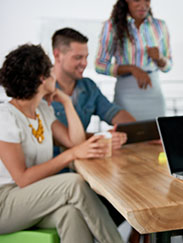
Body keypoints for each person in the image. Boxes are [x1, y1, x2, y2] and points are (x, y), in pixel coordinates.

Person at [0, 44, 123, 243]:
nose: (53, 74)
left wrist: (66, 102)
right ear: (42, 78)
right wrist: (71, 155)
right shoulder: (5, 118)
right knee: (74, 183)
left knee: (70, 214)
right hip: (5, 204)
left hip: (31, 197)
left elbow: (76, 142)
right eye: (50, 70)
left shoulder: (42, 110)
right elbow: (22, 179)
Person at [51, 27, 135, 153]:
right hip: (55, 166)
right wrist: (103, 137)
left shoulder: (88, 87)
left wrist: (137, 130)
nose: (84, 63)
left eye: (86, 57)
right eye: (78, 57)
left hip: (83, 162)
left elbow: (113, 112)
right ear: (57, 55)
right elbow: (54, 137)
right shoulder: (41, 89)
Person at [95, 0, 172, 121]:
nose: (143, 5)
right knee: (128, 135)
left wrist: (160, 58)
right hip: (126, 93)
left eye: (146, 0)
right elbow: (100, 65)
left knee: (157, 136)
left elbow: (168, 67)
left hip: (154, 94)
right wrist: (132, 69)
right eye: (137, 0)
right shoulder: (111, 26)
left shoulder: (160, 26)